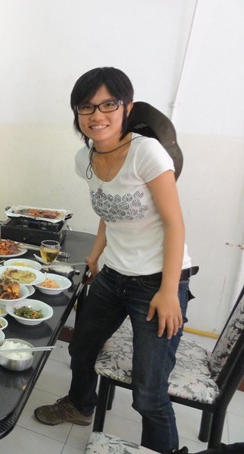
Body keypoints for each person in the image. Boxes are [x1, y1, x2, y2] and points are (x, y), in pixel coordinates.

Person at [34, 67, 193, 454]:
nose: (97, 115)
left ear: (127, 108)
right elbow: (110, 209)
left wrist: (169, 291)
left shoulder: (146, 153)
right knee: (81, 349)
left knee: (149, 394)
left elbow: (174, 224)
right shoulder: (84, 158)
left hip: (157, 280)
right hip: (113, 275)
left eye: (108, 105)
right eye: (86, 107)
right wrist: (95, 254)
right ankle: (79, 405)